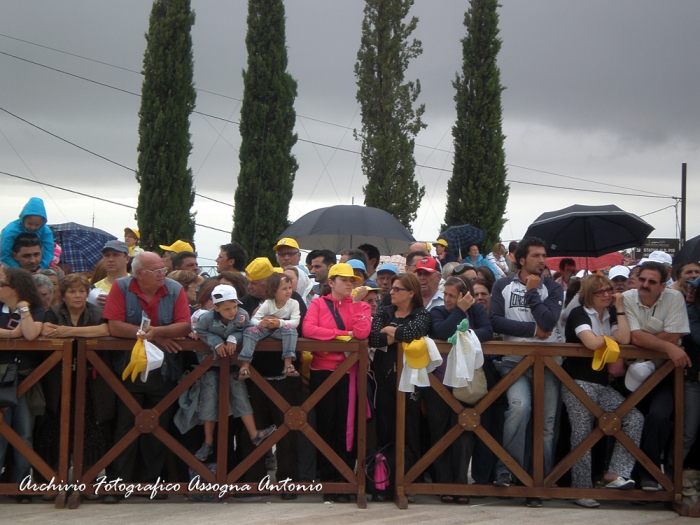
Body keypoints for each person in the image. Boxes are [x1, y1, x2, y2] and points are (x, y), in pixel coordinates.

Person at [101, 252, 191, 502]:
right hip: (128, 369)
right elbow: (114, 326)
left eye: (163, 268)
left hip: (163, 370)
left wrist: (157, 332)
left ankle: (152, 483)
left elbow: (185, 325)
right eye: (156, 270)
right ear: (139, 273)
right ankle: (118, 485)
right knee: (124, 426)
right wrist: (153, 335)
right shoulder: (120, 287)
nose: (163, 273)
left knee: (158, 426)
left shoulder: (174, 289)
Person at [489, 237, 563, 508]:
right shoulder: (502, 285)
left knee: (546, 425)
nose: (542, 260)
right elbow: (495, 320)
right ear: (521, 260)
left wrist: (533, 293)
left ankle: (539, 480)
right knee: (519, 409)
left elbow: (549, 321)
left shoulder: (553, 287)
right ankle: (509, 471)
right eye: (536, 256)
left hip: (549, 364)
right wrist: (533, 332)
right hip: (514, 362)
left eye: (544, 255)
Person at [562, 275, 643, 508]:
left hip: (601, 384)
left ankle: (615, 473)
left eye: (609, 290)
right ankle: (581, 488)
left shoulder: (609, 314)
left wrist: (619, 308)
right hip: (578, 382)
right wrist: (610, 339)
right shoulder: (579, 313)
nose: (607, 294)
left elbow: (625, 338)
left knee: (634, 418)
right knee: (582, 434)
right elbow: (592, 343)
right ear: (589, 295)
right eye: (600, 292)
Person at [238, 257, 307, 496]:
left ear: (268, 282)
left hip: (284, 375)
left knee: (289, 428)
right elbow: (241, 328)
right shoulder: (246, 302)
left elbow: (301, 326)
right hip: (254, 375)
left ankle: (289, 483)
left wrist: (279, 322)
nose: (250, 286)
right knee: (253, 431)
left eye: (255, 282)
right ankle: (253, 482)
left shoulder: (293, 299)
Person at [303, 263, 372, 501]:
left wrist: (354, 306)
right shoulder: (317, 303)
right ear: (330, 283)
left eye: (352, 280)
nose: (349, 284)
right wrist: (341, 336)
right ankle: (327, 481)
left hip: (348, 373)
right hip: (322, 372)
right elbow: (309, 329)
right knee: (325, 426)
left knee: (346, 427)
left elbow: (362, 333)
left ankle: (345, 479)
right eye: (344, 280)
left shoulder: (360, 305)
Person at [622, 260, 690, 491]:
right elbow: (634, 337)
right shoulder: (628, 297)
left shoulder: (675, 298)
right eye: (642, 279)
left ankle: (649, 473)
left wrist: (656, 340)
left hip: (663, 371)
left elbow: (673, 335)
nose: (645, 285)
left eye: (652, 281)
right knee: (628, 419)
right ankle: (628, 476)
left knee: (659, 417)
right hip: (630, 372)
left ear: (663, 285)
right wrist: (670, 347)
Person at [192, 284, 276, 462]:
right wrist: (215, 342)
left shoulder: (241, 315)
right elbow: (199, 331)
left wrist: (233, 338)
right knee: (209, 400)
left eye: (234, 307)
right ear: (216, 308)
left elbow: (248, 329)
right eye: (227, 308)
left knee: (240, 396)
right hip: (212, 366)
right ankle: (208, 441)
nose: (232, 312)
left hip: (233, 365)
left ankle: (254, 433)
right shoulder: (207, 318)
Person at [429, 276, 493, 503]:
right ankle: (444, 483)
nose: (446, 299)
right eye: (445, 294)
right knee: (440, 431)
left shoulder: (475, 311)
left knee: (465, 430)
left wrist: (467, 334)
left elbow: (488, 330)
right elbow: (440, 331)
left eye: (452, 296)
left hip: (465, 380)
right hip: (439, 382)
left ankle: (460, 484)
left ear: (464, 296)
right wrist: (458, 312)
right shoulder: (437, 311)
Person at [369, 273, 432, 496]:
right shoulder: (385, 311)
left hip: (411, 381)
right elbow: (372, 338)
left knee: (410, 430)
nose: (392, 292)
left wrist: (391, 331)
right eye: (392, 289)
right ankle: (383, 483)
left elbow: (415, 332)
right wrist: (396, 334)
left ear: (411, 293)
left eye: (398, 289)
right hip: (384, 379)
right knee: (384, 429)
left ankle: (409, 482)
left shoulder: (421, 314)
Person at [0, 267, 45, 501]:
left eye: (2, 284)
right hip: (0, 378)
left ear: (15, 288)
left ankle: (22, 486)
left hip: (26, 378)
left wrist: (23, 308)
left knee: (24, 433)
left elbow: (29, 334)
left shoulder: (34, 308)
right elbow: (20, 335)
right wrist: (11, 335)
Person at [239, 273, 300, 378]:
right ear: (274, 290)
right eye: (284, 289)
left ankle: (288, 364)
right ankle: (245, 365)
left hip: (280, 331)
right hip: (265, 330)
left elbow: (295, 321)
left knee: (291, 330)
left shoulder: (294, 303)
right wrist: (260, 323)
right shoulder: (268, 303)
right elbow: (254, 319)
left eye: (290, 287)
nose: (288, 291)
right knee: (250, 331)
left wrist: (279, 323)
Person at [1, 197, 54, 270]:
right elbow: (5, 253)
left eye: (37, 225)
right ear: (23, 219)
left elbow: (49, 251)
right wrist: (19, 270)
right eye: (30, 223)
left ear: (42, 223)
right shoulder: (10, 230)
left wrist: (41, 267)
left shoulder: (46, 231)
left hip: (38, 267)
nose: (33, 227)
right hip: (12, 266)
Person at [682, 277, 700, 462]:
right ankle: (672, 479)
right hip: (694, 381)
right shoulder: (690, 313)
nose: (691, 291)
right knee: (687, 434)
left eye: (695, 289)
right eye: (691, 287)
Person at [92, 240, 130, 307]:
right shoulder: (94, 288)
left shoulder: (137, 284)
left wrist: (113, 303)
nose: (110, 259)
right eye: (107, 255)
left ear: (127, 259)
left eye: (116, 255)